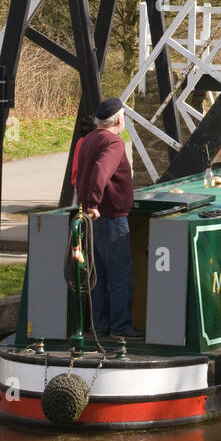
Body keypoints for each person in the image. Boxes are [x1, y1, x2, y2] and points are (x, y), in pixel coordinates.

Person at [72, 97, 141, 338]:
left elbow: (82, 174)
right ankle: (120, 327)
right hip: (111, 217)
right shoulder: (114, 143)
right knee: (121, 275)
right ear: (120, 119)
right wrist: (93, 202)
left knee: (97, 276)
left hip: (91, 220)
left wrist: (86, 205)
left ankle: (99, 326)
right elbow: (101, 170)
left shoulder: (89, 139)